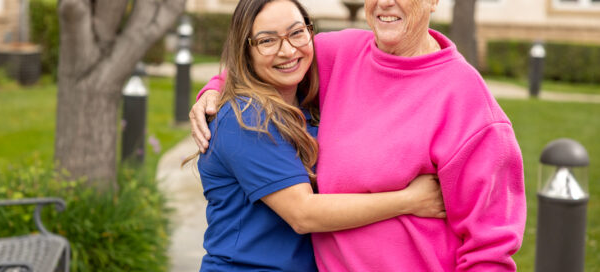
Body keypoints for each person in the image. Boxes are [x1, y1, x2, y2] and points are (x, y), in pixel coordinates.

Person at [191, 0, 527, 271]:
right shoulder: (342, 54)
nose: (385, 3)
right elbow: (269, 60)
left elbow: (490, 248)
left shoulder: (467, 102)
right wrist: (214, 90)